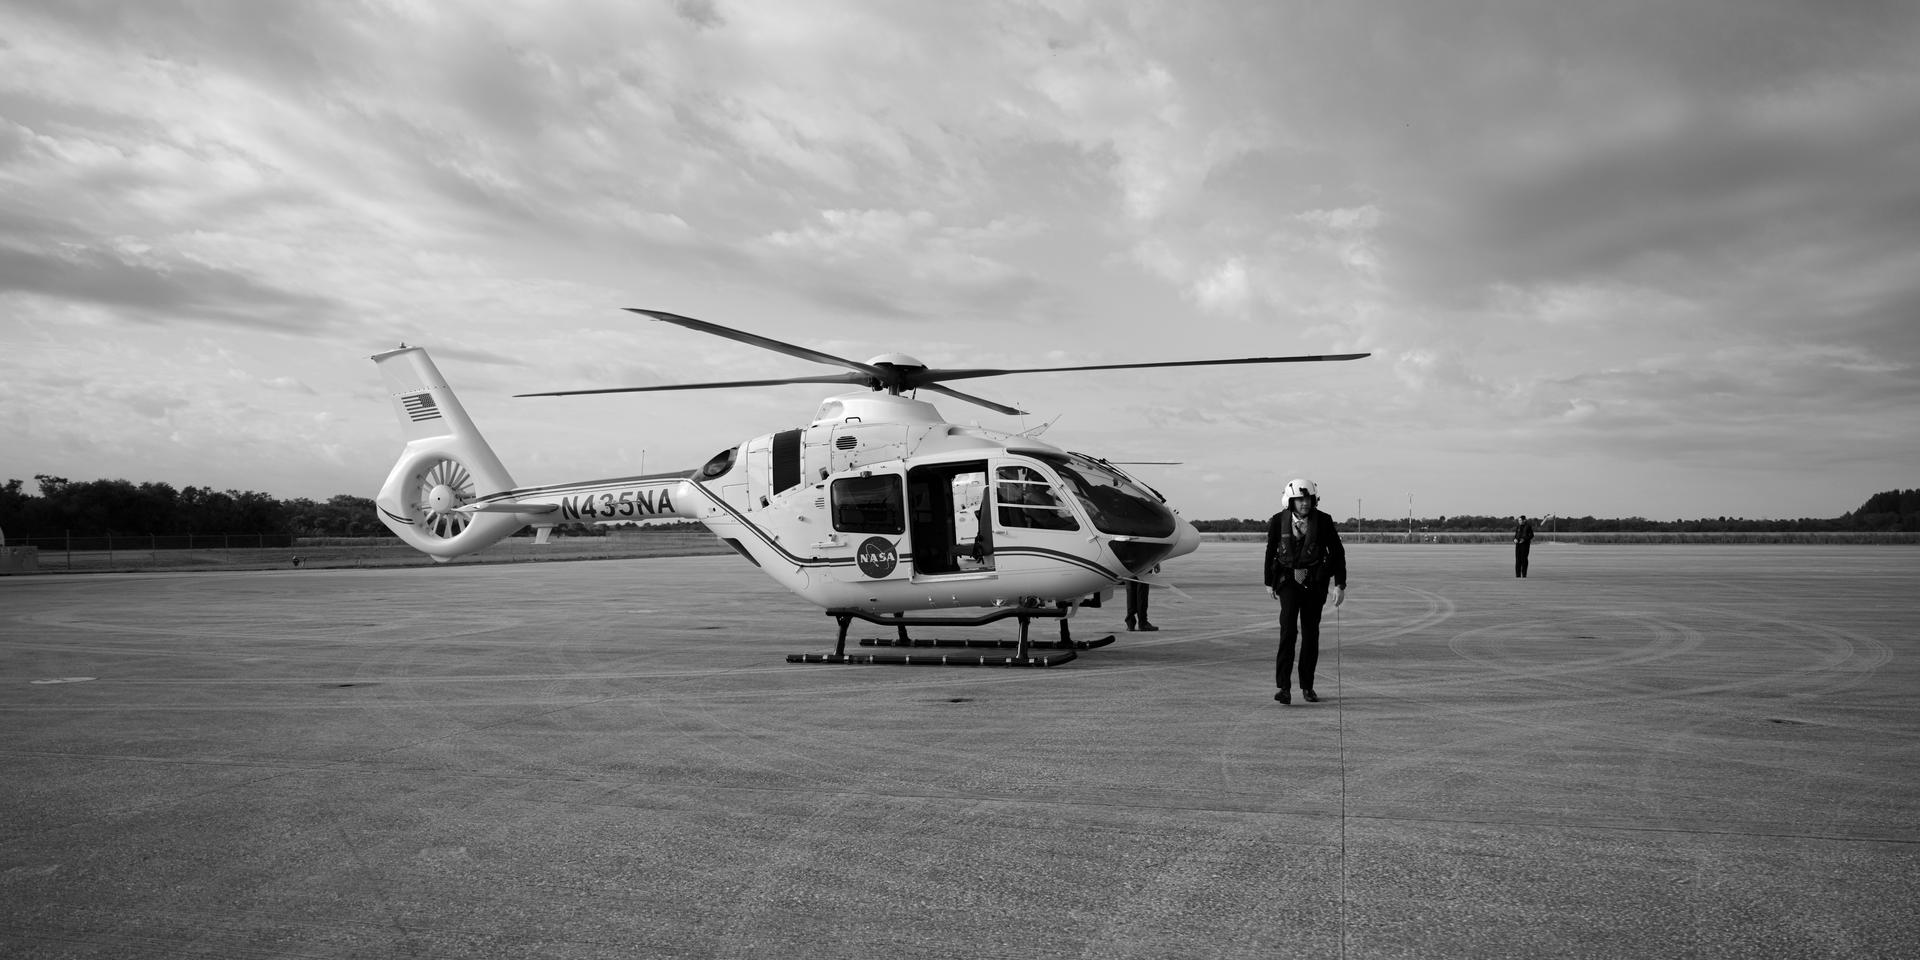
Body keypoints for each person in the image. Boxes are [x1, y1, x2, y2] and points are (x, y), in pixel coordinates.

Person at [1263, 478, 1347, 704]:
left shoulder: (1325, 521)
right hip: (1288, 581)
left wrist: (1340, 584)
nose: (1304, 504)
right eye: (1299, 500)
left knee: (1311, 634)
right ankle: (1284, 688)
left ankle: (1307, 686)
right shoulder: (1277, 521)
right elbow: (1271, 550)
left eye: (1308, 499)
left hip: (1315, 582)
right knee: (1287, 631)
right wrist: (1269, 581)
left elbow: (1337, 552)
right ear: (1290, 501)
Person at [1124, 565, 1159, 632]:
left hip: (1128, 561)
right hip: (1143, 560)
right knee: (1142, 590)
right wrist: (1156, 562)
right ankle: (1143, 623)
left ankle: (1130, 623)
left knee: (1131, 589)